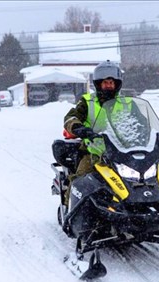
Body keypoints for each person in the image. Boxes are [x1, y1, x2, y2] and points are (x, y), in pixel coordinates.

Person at [62, 60, 123, 205]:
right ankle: (70, 207)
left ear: (117, 84)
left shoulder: (126, 103)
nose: (108, 86)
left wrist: (154, 133)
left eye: (111, 83)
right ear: (99, 84)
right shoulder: (87, 101)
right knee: (81, 178)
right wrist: (78, 128)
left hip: (122, 150)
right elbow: (71, 117)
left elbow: (140, 121)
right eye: (105, 83)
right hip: (94, 150)